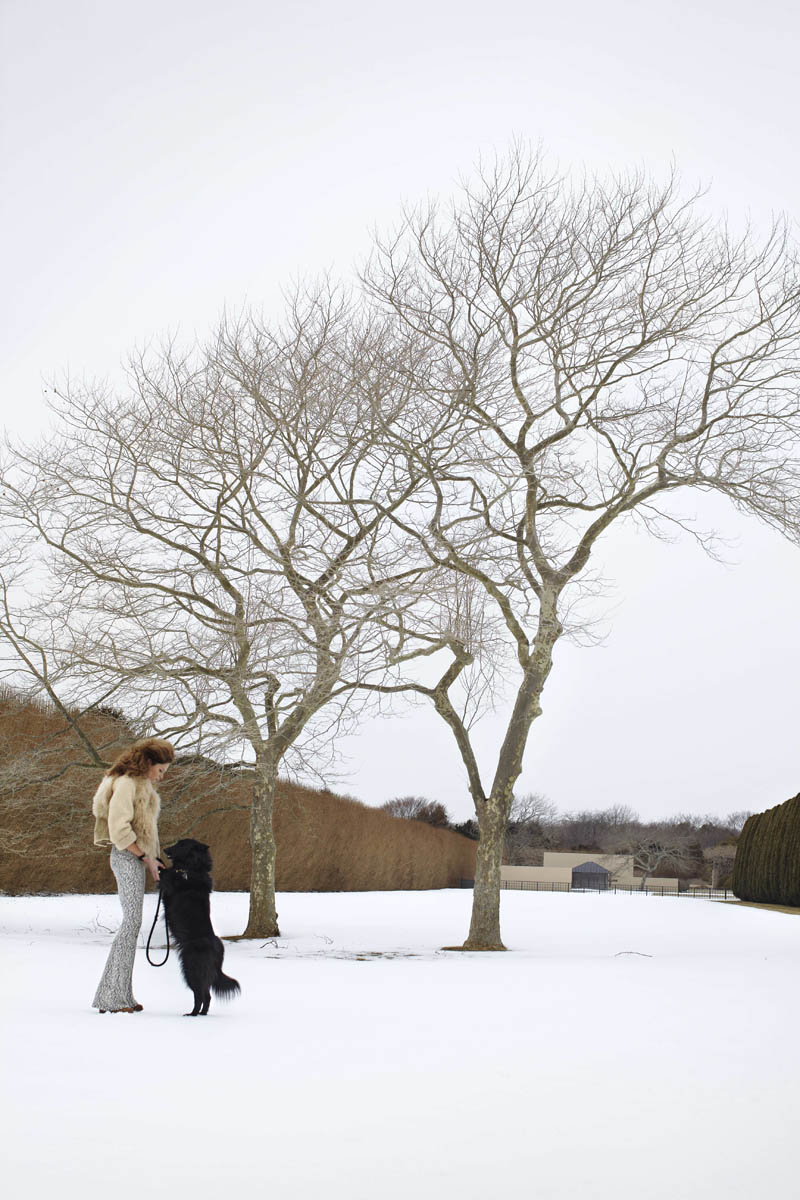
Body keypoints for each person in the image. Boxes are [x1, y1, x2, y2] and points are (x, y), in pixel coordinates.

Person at [91, 737, 175, 1013]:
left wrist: (151, 859)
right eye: (160, 770)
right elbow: (119, 830)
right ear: (149, 763)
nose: (162, 776)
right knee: (130, 924)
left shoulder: (141, 784)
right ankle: (111, 997)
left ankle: (120, 995)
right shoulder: (127, 784)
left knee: (132, 925)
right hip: (126, 857)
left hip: (135, 859)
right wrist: (144, 857)